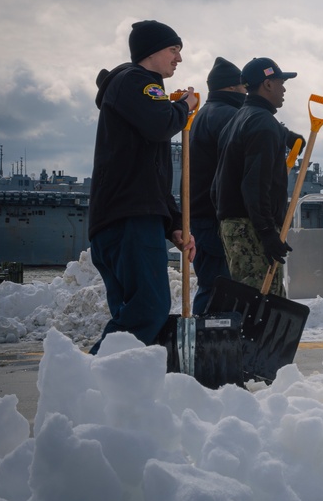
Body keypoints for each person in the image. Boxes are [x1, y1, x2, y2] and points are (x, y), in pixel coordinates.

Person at [88, 20, 197, 354]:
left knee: (130, 314)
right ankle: (89, 377)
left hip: (121, 218)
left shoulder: (131, 89)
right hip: (131, 220)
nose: (179, 58)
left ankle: (106, 393)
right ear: (152, 51)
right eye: (173, 49)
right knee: (148, 309)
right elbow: (160, 124)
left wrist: (173, 224)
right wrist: (185, 106)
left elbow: (150, 173)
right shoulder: (138, 82)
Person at [212, 57, 301, 297]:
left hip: (232, 226)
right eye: (281, 82)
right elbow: (256, 185)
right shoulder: (263, 124)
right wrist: (267, 233)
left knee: (248, 298)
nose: (284, 89)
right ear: (268, 84)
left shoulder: (237, 120)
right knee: (262, 301)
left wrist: (285, 136)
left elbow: (218, 182)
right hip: (250, 227)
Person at [187, 57, 246, 315]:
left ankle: (205, 343)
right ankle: (205, 345)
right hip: (215, 218)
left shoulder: (204, 114)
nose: (247, 92)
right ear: (232, 88)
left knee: (212, 285)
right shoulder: (228, 115)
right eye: (244, 87)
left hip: (201, 216)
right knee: (219, 287)